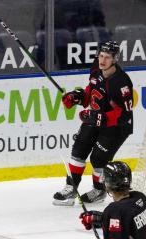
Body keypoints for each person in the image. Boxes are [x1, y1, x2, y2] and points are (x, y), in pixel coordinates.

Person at [54, 40, 134, 206]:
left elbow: (124, 114)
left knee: (98, 159)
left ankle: (99, 190)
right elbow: (92, 92)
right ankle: (71, 188)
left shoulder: (122, 82)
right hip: (96, 118)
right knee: (79, 150)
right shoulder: (96, 69)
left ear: (115, 59)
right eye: (101, 56)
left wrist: (99, 118)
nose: (102, 60)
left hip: (116, 127)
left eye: (107, 57)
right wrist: (77, 97)